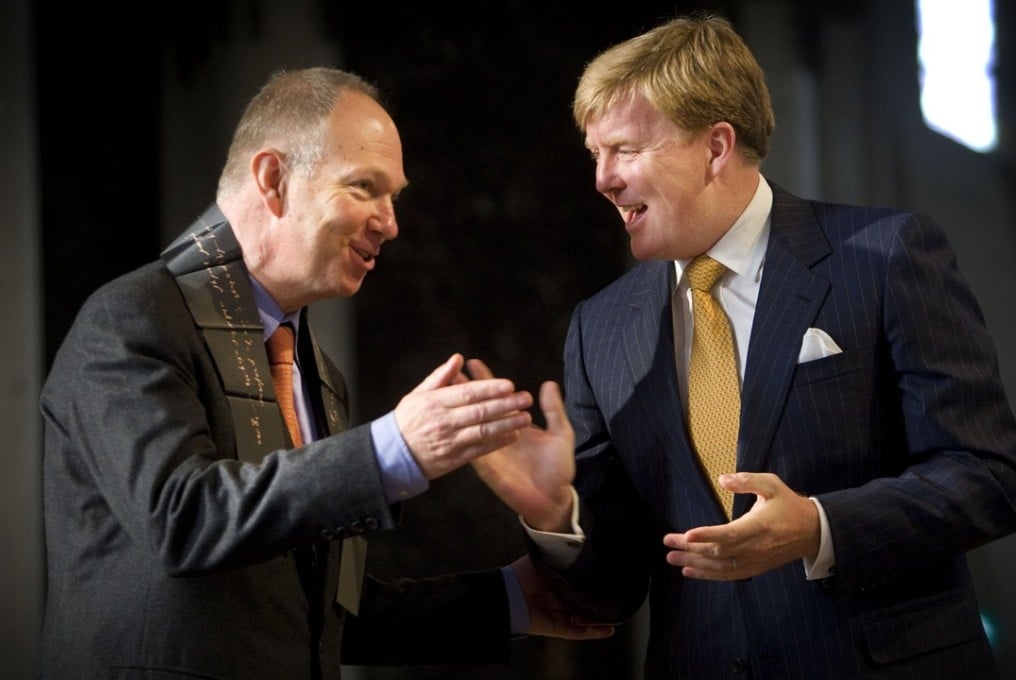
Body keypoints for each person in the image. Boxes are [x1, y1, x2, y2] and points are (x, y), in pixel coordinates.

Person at [471, 12, 1016, 679]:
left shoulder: (882, 257)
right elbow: (613, 591)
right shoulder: (600, 328)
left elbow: (990, 478)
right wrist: (555, 513)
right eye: (596, 155)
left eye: (625, 150)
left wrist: (819, 526)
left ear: (715, 147)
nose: (602, 180)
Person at [36, 67, 613, 680]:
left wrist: (514, 598)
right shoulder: (131, 318)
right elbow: (182, 521)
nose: (390, 222)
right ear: (273, 179)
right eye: (365, 187)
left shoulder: (317, 374)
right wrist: (394, 449)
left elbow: (315, 621)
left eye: (395, 197)